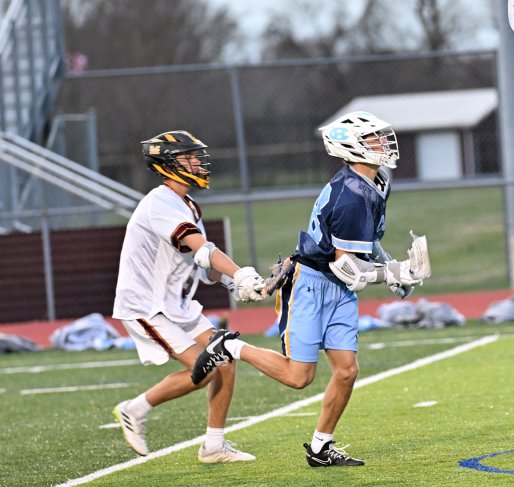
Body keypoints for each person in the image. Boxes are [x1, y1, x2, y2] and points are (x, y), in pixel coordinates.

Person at [191, 111, 429, 467]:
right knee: (299, 376)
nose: (383, 144)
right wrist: (393, 272)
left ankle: (320, 448)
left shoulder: (376, 181)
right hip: (312, 283)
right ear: (352, 146)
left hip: (339, 287)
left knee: (346, 370)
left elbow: (367, 241)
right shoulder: (350, 194)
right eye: (373, 138)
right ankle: (229, 346)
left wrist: (393, 269)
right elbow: (347, 267)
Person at [112, 130, 268, 462]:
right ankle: (134, 409)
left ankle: (213, 445)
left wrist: (234, 284)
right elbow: (204, 250)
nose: (197, 162)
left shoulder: (188, 206)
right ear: (168, 163)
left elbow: (203, 265)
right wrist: (239, 273)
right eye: (189, 157)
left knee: (224, 360)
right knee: (207, 367)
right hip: (146, 306)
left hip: (174, 305)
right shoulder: (159, 202)